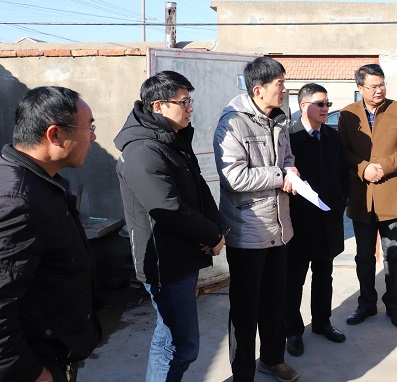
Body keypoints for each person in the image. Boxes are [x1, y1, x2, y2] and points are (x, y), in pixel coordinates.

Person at [114, 71, 226, 381]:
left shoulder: (171, 140)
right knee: (179, 347)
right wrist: (212, 235)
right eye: (184, 102)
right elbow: (170, 210)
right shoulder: (142, 151)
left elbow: (199, 189)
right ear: (159, 106)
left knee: (169, 338)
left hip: (181, 256)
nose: (191, 108)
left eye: (190, 101)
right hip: (165, 264)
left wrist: (216, 228)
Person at [0, 86, 101, 382]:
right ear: (54, 135)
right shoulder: (18, 200)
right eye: (89, 128)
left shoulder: (39, 182)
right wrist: (31, 373)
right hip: (38, 364)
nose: (93, 137)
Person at [213, 57, 299, 382]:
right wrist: (279, 175)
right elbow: (233, 177)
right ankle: (243, 374)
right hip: (248, 230)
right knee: (245, 309)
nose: (284, 89)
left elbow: (287, 157)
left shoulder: (279, 119)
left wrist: (290, 169)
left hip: (279, 227)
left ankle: (273, 360)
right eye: (280, 84)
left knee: (276, 302)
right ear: (258, 89)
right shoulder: (232, 124)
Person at [338, 64, 397, 329]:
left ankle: (393, 305)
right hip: (361, 197)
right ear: (360, 88)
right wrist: (363, 168)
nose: (379, 90)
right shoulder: (347, 114)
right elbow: (342, 150)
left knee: (393, 255)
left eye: (382, 84)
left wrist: (382, 166)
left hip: (392, 194)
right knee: (363, 256)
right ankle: (366, 303)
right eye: (373, 86)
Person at [285, 83, 351, 357]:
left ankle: (322, 322)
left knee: (324, 275)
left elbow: (343, 173)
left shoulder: (332, 137)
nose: (326, 109)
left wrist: (342, 201)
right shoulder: (289, 137)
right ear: (304, 106)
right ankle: (292, 330)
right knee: (294, 280)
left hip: (328, 218)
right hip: (300, 221)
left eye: (328, 104)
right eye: (320, 104)